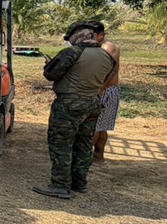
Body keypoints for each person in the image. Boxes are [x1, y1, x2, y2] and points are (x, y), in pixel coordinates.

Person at [34, 21, 116, 199]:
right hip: (92, 103)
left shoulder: (72, 53)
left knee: (61, 143)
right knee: (83, 143)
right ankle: (79, 182)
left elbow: (51, 74)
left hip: (69, 104)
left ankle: (60, 185)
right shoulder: (106, 56)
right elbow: (105, 78)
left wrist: (49, 64)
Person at [90, 21, 120, 162]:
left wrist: (101, 88)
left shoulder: (107, 48)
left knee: (95, 125)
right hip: (105, 89)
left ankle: (91, 155)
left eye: (92, 35)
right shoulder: (98, 47)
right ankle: (98, 156)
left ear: (101, 35)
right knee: (101, 125)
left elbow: (112, 70)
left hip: (106, 90)